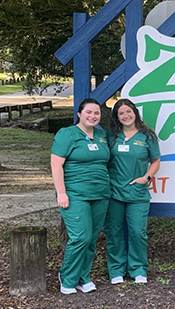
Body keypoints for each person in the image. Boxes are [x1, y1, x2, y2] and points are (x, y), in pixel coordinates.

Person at [51, 98, 110, 294]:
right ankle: (67, 277)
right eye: (89, 112)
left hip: (100, 193)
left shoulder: (101, 136)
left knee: (92, 238)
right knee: (80, 237)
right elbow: (56, 165)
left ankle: (83, 277)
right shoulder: (67, 134)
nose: (93, 116)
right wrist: (61, 193)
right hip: (75, 194)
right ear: (79, 113)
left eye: (97, 113)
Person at [105, 98, 161, 285]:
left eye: (128, 111)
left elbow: (155, 162)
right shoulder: (111, 136)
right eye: (121, 113)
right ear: (116, 117)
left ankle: (138, 269)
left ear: (135, 113)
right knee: (113, 232)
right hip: (114, 192)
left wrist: (146, 178)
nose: (125, 116)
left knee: (137, 232)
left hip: (137, 193)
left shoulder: (147, 137)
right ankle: (116, 270)